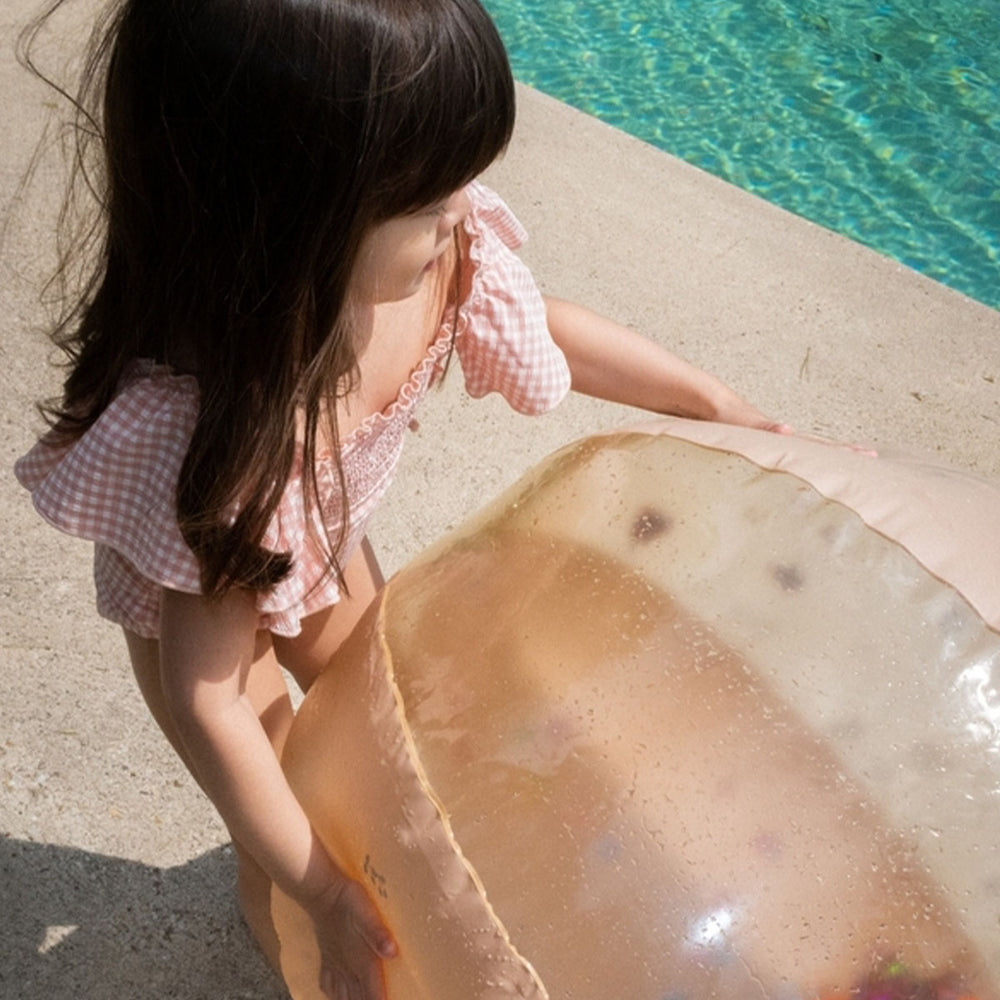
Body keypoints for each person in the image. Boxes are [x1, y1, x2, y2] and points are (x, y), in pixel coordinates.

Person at [14, 0, 788, 997]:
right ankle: (276, 915)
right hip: (208, 591)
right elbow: (206, 701)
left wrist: (710, 399)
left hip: (319, 536)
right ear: (294, 212)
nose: (463, 208)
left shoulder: (428, 257)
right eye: (425, 195)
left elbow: (548, 327)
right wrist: (328, 895)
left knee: (386, 714)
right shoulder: (225, 439)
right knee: (292, 791)